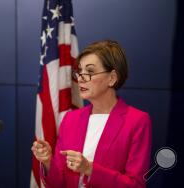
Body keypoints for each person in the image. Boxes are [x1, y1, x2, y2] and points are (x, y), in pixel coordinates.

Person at [31, 40, 152, 188]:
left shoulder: (137, 121)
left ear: (112, 78)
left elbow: (136, 185)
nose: (81, 77)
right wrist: (48, 161)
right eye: (80, 71)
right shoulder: (71, 119)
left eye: (90, 71)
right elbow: (59, 184)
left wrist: (89, 169)